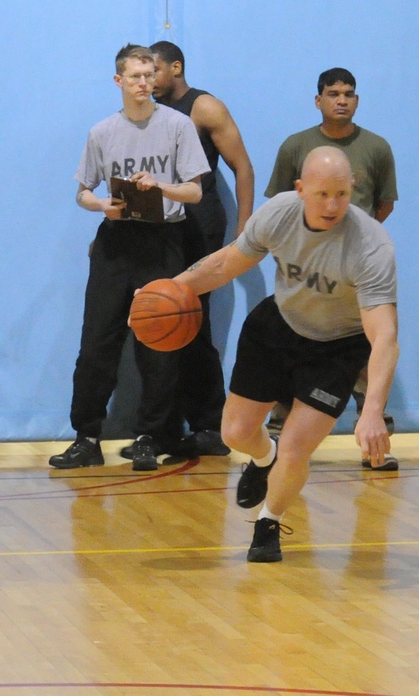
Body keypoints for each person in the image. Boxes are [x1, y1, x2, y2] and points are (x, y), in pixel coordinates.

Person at [172, 146, 398, 562]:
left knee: (297, 447)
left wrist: (372, 411)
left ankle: (268, 523)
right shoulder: (279, 213)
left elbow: (384, 335)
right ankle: (263, 457)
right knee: (235, 434)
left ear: (353, 189)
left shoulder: (371, 246)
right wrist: (171, 289)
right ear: (300, 190)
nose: (333, 205)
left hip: (336, 347)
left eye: (342, 195)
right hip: (278, 325)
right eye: (322, 194)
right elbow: (225, 265)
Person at [49, 44, 209, 471]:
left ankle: (148, 437)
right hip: (116, 241)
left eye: (149, 75)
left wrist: (161, 188)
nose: (143, 83)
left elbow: (194, 191)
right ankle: (86, 436)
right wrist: (102, 205)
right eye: (135, 76)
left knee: (159, 343)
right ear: (118, 81)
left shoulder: (178, 125)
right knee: (96, 342)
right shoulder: (102, 132)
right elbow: (82, 191)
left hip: (163, 241)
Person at [116, 40, 254, 461]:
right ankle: (165, 430)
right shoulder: (147, 114)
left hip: (199, 229)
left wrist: (245, 228)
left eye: (153, 71)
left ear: (175, 68)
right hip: (161, 229)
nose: (147, 80)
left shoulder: (204, 107)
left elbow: (243, 167)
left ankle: (210, 425)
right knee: (160, 325)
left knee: (190, 325)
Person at [264, 67, 399, 470]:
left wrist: (353, 248)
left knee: (370, 347)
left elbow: (384, 205)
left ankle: (376, 440)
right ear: (318, 100)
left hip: (356, 274)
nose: (342, 99)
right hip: (305, 272)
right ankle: (275, 438)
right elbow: (279, 207)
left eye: (350, 93)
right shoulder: (296, 146)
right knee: (291, 350)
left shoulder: (376, 148)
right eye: (333, 92)